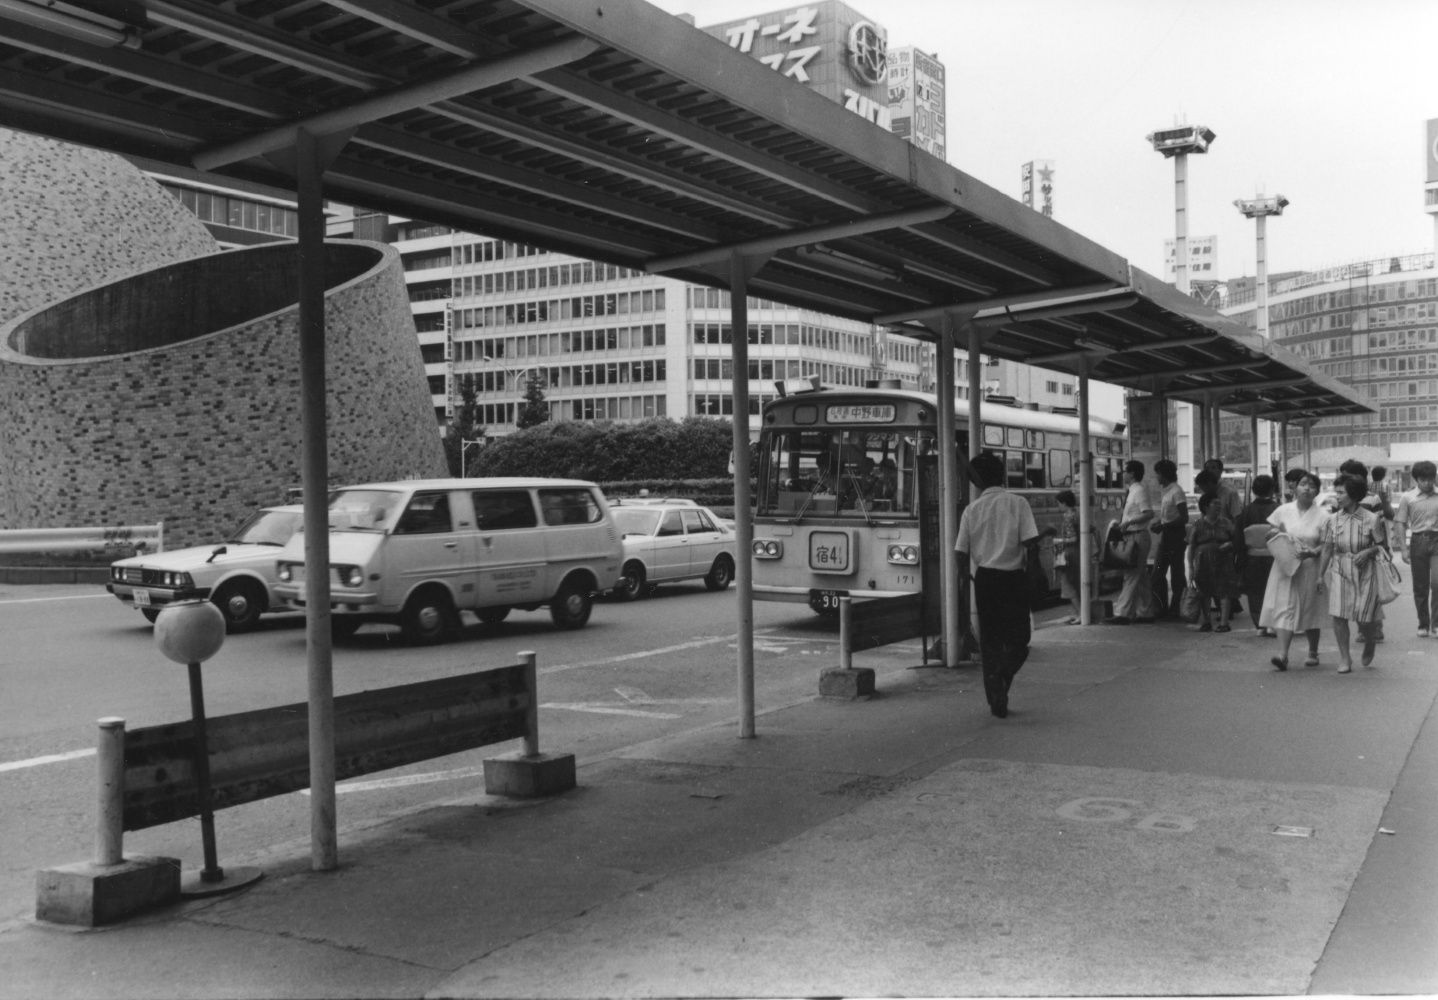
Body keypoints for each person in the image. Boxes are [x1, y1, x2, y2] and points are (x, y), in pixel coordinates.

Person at [955, 451, 1039, 718]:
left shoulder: (972, 510)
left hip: (986, 580)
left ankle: (995, 696)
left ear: (976, 481)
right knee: (1019, 638)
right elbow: (1030, 543)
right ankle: (1002, 679)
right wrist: (1034, 572)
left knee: (990, 640)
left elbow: (960, 552)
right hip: (1014, 578)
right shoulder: (1018, 504)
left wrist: (964, 578)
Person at [1260, 470, 1329, 671]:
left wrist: (1313, 552)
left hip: (1310, 567)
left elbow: (1327, 546)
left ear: (1317, 491)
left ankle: (1313, 651)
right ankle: (1282, 654)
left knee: (1310, 608)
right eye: (1303, 484)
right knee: (1284, 606)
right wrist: (1273, 533)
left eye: (1312, 485)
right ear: (1295, 488)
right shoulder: (1282, 511)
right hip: (1284, 566)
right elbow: (1269, 536)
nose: (1307, 488)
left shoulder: (1324, 516)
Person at [1318, 475, 1386, 672]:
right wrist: (1320, 575)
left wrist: (1367, 551)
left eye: (1341, 492)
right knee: (1339, 616)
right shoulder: (1332, 520)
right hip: (1339, 569)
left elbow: (1382, 547)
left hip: (1365, 572)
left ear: (1354, 494)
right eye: (1336, 492)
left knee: (1364, 617)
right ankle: (1345, 658)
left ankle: (1370, 639)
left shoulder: (1372, 519)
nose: (1336, 496)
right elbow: (1327, 549)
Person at [1105, 459, 1156, 624]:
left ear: (1132, 473)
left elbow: (1148, 513)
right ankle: (1146, 612)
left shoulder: (1139, 491)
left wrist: (1129, 521)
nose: (1122, 474)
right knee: (1140, 577)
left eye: (1125, 471)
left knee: (1131, 575)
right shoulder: (1133, 490)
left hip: (1137, 536)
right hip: (1133, 535)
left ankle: (1122, 613)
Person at [1393, 459, 1438, 638]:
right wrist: (1403, 548)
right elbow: (1400, 523)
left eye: (1430, 478)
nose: (1427, 483)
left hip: (1437, 541)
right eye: (1423, 479)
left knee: (1437, 582)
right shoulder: (1408, 498)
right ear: (1416, 480)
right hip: (1418, 541)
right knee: (1420, 586)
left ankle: (1436, 623)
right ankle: (1423, 623)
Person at [1186, 493, 1240, 632]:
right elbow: (1191, 547)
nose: (1218, 506)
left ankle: (1224, 623)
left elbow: (1237, 539)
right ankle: (1206, 621)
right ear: (1205, 507)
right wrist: (1191, 567)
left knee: (1225, 591)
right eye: (1214, 504)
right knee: (1204, 592)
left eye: (1219, 504)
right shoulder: (1197, 525)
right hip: (1203, 562)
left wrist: (1229, 544)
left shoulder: (1226, 523)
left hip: (1224, 560)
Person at [1235, 475, 1280, 635]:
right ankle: (1273, 624)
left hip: (1252, 557)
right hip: (1274, 556)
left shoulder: (1246, 511)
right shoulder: (1278, 509)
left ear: (1253, 490)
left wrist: (1239, 561)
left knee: (1255, 592)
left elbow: (1239, 538)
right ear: (1272, 489)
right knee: (1275, 590)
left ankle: (1260, 625)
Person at [1148, 458, 1189, 619]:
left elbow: (1184, 517)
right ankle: (1161, 606)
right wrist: (1161, 523)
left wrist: (1164, 526)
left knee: (1177, 573)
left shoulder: (1176, 491)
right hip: (1167, 535)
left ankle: (1177, 608)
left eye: (1157, 474)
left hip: (1175, 536)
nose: (1157, 478)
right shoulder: (1167, 491)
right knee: (1158, 572)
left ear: (1163, 474)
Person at [1054, 489, 1087, 624]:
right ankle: (1080, 613)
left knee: (1068, 584)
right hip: (1078, 551)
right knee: (1076, 583)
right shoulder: (1077, 513)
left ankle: (1080, 614)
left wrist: (1059, 541)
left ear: (1064, 503)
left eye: (1059, 503)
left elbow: (1072, 538)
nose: (1058, 506)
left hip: (1069, 552)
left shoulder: (1068, 517)